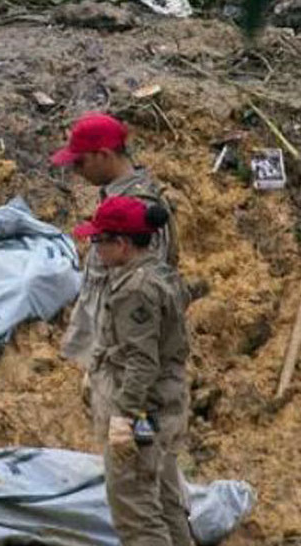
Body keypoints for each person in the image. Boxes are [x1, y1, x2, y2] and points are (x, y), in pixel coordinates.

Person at [74, 196, 191, 546]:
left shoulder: (135, 291)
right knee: (167, 502)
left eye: (99, 241)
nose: (95, 250)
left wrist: (123, 417)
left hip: (144, 414)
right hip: (164, 409)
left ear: (122, 244)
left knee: (135, 509)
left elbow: (142, 361)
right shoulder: (160, 274)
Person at [52, 112, 178, 368]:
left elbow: (142, 297)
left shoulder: (139, 210)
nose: (77, 172)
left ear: (104, 155)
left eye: (80, 163)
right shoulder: (119, 201)